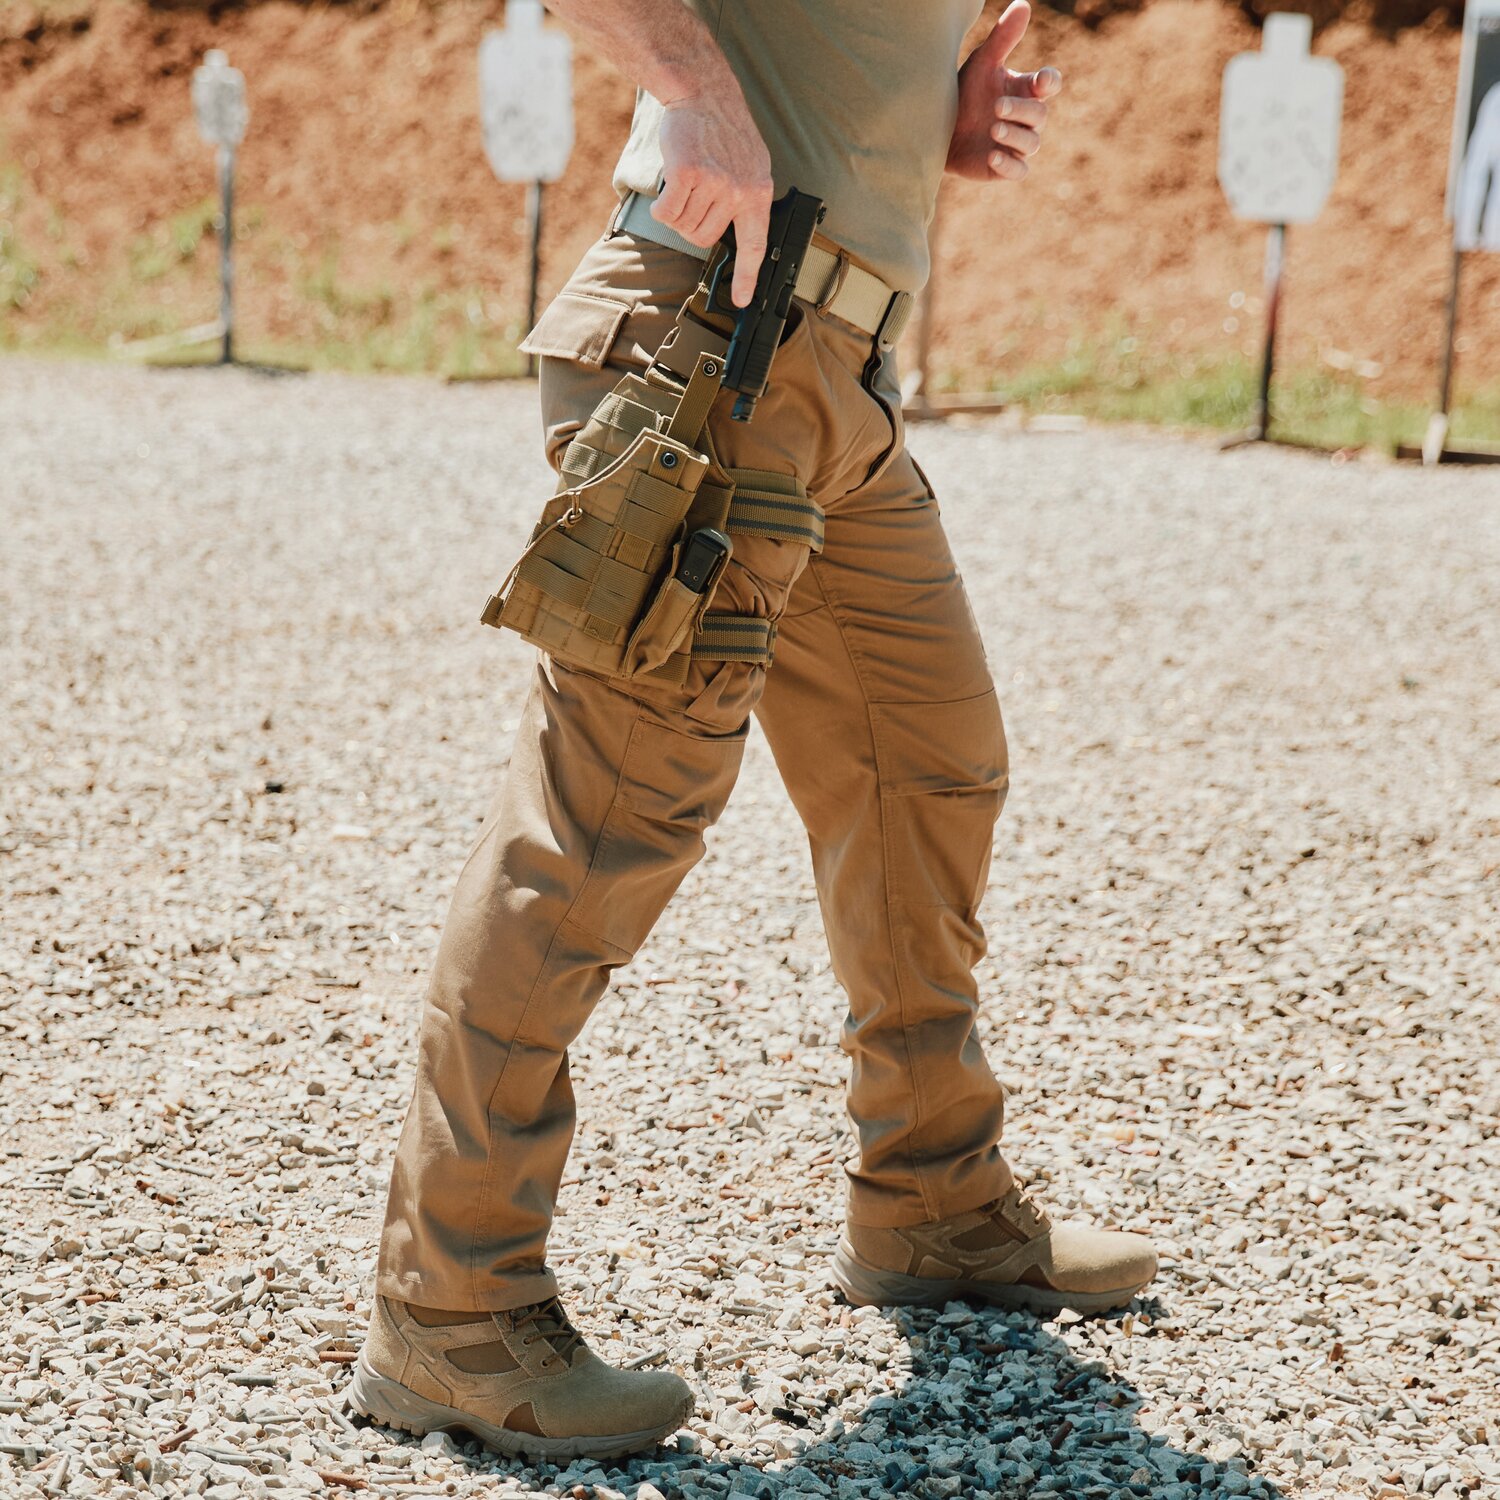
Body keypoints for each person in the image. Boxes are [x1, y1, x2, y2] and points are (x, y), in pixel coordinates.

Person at [350, 0, 1157, 1462]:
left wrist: (934, 124)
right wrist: (691, 83)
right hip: (707, 341)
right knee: (606, 823)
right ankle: (449, 1307)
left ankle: (937, 1206)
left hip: (829, 374)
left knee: (929, 765)